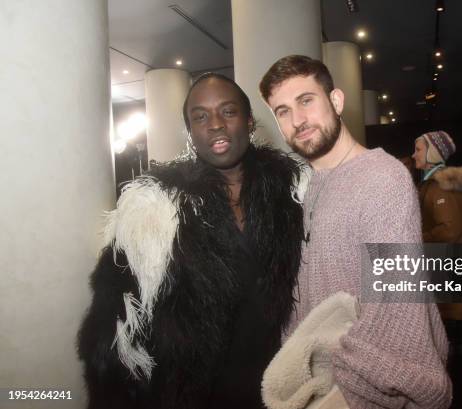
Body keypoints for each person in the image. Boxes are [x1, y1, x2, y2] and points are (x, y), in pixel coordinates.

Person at [77, 73, 304, 409]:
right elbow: (113, 332)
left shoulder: (295, 195)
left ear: (250, 121)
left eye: (228, 112)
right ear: (190, 132)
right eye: (200, 116)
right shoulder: (152, 210)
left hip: (282, 387)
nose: (215, 124)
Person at [260, 55, 451, 409]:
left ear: (336, 101)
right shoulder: (309, 184)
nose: (297, 120)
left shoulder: (382, 179)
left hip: (359, 394)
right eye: (282, 111)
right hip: (316, 384)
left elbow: (397, 310)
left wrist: (342, 394)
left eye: (306, 101)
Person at [411, 131, 462, 409]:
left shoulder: (441, 187)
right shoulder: (435, 185)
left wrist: (416, 237)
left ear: (432, 154)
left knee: (455, 352)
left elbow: (450, 231)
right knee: (456, 349)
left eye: (418, 149)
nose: (415, 154)